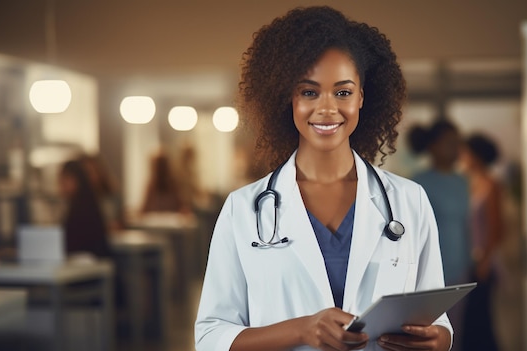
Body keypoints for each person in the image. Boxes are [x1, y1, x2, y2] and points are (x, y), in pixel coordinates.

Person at [195, 6, 451, 351]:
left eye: (343, 92)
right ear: (288, 98)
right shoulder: (243, 209)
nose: (327, 108)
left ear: (362, 96)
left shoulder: (409, 200)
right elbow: (210, 336)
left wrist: (440, 339)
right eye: (309, 92)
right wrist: (301, 331)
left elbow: (436, 317)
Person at [407, 119, 471, 351]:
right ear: (433, 146)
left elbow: (465, 224)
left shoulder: (462, 181)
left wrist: (471, 261)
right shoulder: (418, 184)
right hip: (431, 271)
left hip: (460, 269)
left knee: (456, 334)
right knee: (429, 335)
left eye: (458, 143)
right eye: (449, 143)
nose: (455, 149)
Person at [460, 133, 503, 351]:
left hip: (483, 264)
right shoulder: (466, 183)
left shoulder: (490, 184)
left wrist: (484, 261)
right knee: (471, 322)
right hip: (468, 261)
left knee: (480, 321)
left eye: (466, 152)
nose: (462, 157)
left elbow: (496, 227)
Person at [58, 159, 111, 258]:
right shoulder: (84, 201)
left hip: (88, 262)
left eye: (64, 179)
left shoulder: (82, 207)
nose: (61, 184)